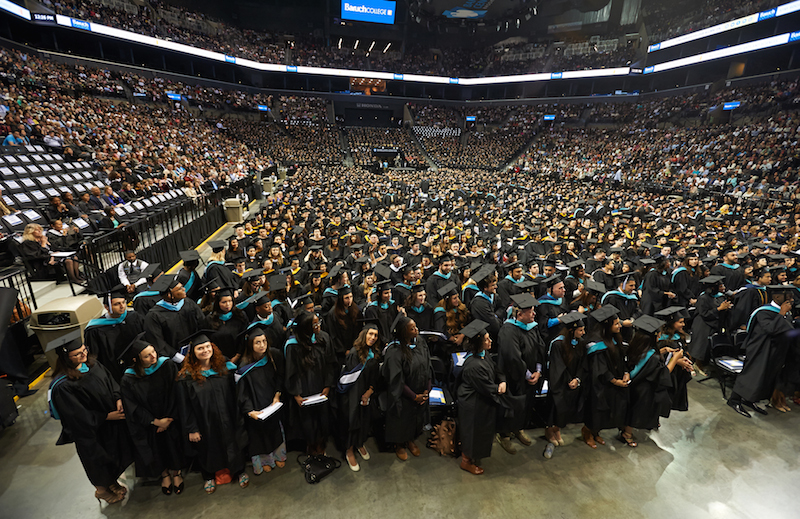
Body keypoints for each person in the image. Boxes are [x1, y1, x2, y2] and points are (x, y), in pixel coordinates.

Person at [47, 330, 133, 504]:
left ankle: (112, 482)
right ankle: (102, 490)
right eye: (77, 354)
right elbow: (76, 416)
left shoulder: (93, 364)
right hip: (91, 432)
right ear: (66, 358)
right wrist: (106, 416)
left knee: (113, 456)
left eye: (84, 350)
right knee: (98, 461)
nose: (84, 354)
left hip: (110, 423)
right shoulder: (63, 385)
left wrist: (117, 397)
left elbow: (111, 381)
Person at [176, 331, 248, 494]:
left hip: (228, 416)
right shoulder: (186, 378)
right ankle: (209, 476)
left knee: (234, 443)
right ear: (193, 352)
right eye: (200, 348)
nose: (205, 350)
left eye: (208, 347)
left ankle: (239, 471)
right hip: (204, 421)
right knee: (208, 448)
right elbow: (184, 406)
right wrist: (192, 428)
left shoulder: (225, 369)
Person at [119, 334, 185, 495]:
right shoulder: (128, 378)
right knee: (155, 447)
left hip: (170, 418)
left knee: (172, 444)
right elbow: (132, 406)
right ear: (136, 360)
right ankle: (164, 475)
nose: (153, 356)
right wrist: (155, 421)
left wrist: (167, 419)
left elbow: (175, 393)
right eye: (147, 355)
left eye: (154, 351)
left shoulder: (166, 365)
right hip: (149, 424)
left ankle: (177, 473)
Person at [457, 319, 522, 475]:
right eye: (486, 339)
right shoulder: (473, 365)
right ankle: (466, 461)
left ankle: (474, 456)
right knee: (472, 433)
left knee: (481, 432)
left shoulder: (484, 355)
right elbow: (486, 387)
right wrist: (498, 388)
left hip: (483, 401)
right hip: (473, 404)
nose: (490, 341)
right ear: (478, 341)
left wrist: (503, 381)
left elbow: (497, 370)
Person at [727, 285, 796, 418]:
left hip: (775, 351)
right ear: (776, 297)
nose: (791, 299)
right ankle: (734, 400)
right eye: (788, 296)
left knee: (764, 378)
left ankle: (749, 399)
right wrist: (781, 314)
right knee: (751, 376)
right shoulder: (764, 312)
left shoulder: (785, 311)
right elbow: (770, 329)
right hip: (760, 350)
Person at [623, 316, 685, 446]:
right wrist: (675, 358)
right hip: (644, 390)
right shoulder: (653, 357)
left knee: (631, 408)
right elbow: (664, 373)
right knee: (636, 411)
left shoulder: (636, 346)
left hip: (634, 385)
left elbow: (647, 358)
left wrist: (663, 350)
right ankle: (627, 434)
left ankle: (626, 430)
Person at [495, 293, 544, 454]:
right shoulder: (508, 330)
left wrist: (538, 370)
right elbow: (512, 357)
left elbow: (540, 348)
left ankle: (518, 429)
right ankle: (504, 435)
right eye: (531, 311)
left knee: (525, 405)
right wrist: (528, 374)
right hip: (513, 377)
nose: (534, 314)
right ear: (519, 314)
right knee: (511, 406)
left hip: (530, 377)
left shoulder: (532, 326)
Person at [284, 311, 338, 455]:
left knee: (323, 419)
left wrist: (327, 385)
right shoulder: (293, 346)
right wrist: (296, 394)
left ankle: (321, 443)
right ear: (305, 327)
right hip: (305, 389)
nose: (318, 326)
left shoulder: (324, 338)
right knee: (308, 421)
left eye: (318, 322)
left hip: (321, 387)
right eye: (314, 324)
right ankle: (311, 444)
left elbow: (330, 364)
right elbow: (291, 372)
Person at [235, 327, 287, 476]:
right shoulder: (243, 366)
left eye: (264, 341)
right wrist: (250, 411)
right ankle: (265, 461)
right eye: (257, 342)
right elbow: (241, 392)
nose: (262, 345)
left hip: (271, 402)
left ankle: (278, 455)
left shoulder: (272, 356)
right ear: (250, 344)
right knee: (258, 437)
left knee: (275, 430)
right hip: (255, 406)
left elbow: (280, 377)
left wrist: (277, 395)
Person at [382, 315, 432, 461]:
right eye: (412, 328)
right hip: (403, 396)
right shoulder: (395, 351)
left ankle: (410, 440)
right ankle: (399, 445)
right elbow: (396, 380)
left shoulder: (420, 343)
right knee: (401, 420)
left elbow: (428, 366)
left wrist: (426, 391)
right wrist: (414, 396)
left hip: (420, 392)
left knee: (415, 420)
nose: (416, 330)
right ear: (404, 332)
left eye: (415, 326)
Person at [335, 323, 379, 472]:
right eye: (370, 334)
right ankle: (349, 450)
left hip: (365, 394)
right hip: (351, 395)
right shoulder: (354, 353)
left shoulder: (373, 353)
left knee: (364, 420)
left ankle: (359, 443)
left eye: (375, 335)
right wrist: (358, 398)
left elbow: (374, 376)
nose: (372, 338)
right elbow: (350, 380)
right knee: (352, 420)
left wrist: (369, 391)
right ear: (364, 334)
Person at [583, 305, 629, 449]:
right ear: (606, 325)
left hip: (613, 383)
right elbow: (599, 368)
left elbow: (622, 359)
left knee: (607, 411)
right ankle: (587, 432)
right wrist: (615, 381)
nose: (620, 326)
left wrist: (626, 372)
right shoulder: (596, 344)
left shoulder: (614, 338)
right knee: (596, 409)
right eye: (616, 324)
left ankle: (596, 432)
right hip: (599, 384)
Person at [84, 285, 146, 382]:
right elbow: (94, 356)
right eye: (117, 304)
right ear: (106, 307)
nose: (122, 306)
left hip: (138, 365)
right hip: (115, 371)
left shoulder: (134, 317)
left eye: (123, 302)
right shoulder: (95, 329)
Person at [545, 312, 588, 449]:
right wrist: (569, 379)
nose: (583, 332)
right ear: (571, 330)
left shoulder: (580, 343)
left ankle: (557, 429)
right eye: (580, 330)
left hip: (573, 383)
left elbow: (583, 364)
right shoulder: (558, 344)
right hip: (560, 382)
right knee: (555, 407)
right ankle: (550, 430)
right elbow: (557, 365)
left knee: (565, 410)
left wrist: (577, 379)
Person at [144, 276, 206, 359]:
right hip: (174, 358)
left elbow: (202, 323)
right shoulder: (154, 316)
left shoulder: (188, 303)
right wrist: (178, 358)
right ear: (169, 295)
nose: (184, 289)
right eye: (180, 289)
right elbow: (157, 341)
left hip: (197, 350)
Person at [688, 276, 732, 372]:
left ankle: (704, 364)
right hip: (702, 325)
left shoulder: (720, 296)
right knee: (700, 347)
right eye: (720, 286)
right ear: (713, 287)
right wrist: (719, 309)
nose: (723, 288)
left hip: (714, 324)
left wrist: (727, 308)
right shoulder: (703, 298)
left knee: (708, 347)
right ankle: (697, 365)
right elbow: (704, 314)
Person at [204, 287, 249, 363]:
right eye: (224, 302)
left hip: (238, 358)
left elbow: (243, 339)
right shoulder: (210, 319)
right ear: (218, 303)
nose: (228, 304)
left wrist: (237, 356)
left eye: (230, 301)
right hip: (216, 359)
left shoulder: (240, 316)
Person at [323, 286, 362, 365]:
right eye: (346, 298)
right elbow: (333, 335)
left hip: (355, 348)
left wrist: (356, 346)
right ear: (341, 299)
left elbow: (359, 329)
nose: (349, 300)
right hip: (340, 353)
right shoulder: (333, 314)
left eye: (351, 297)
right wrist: (344, 350)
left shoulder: (356, 310)